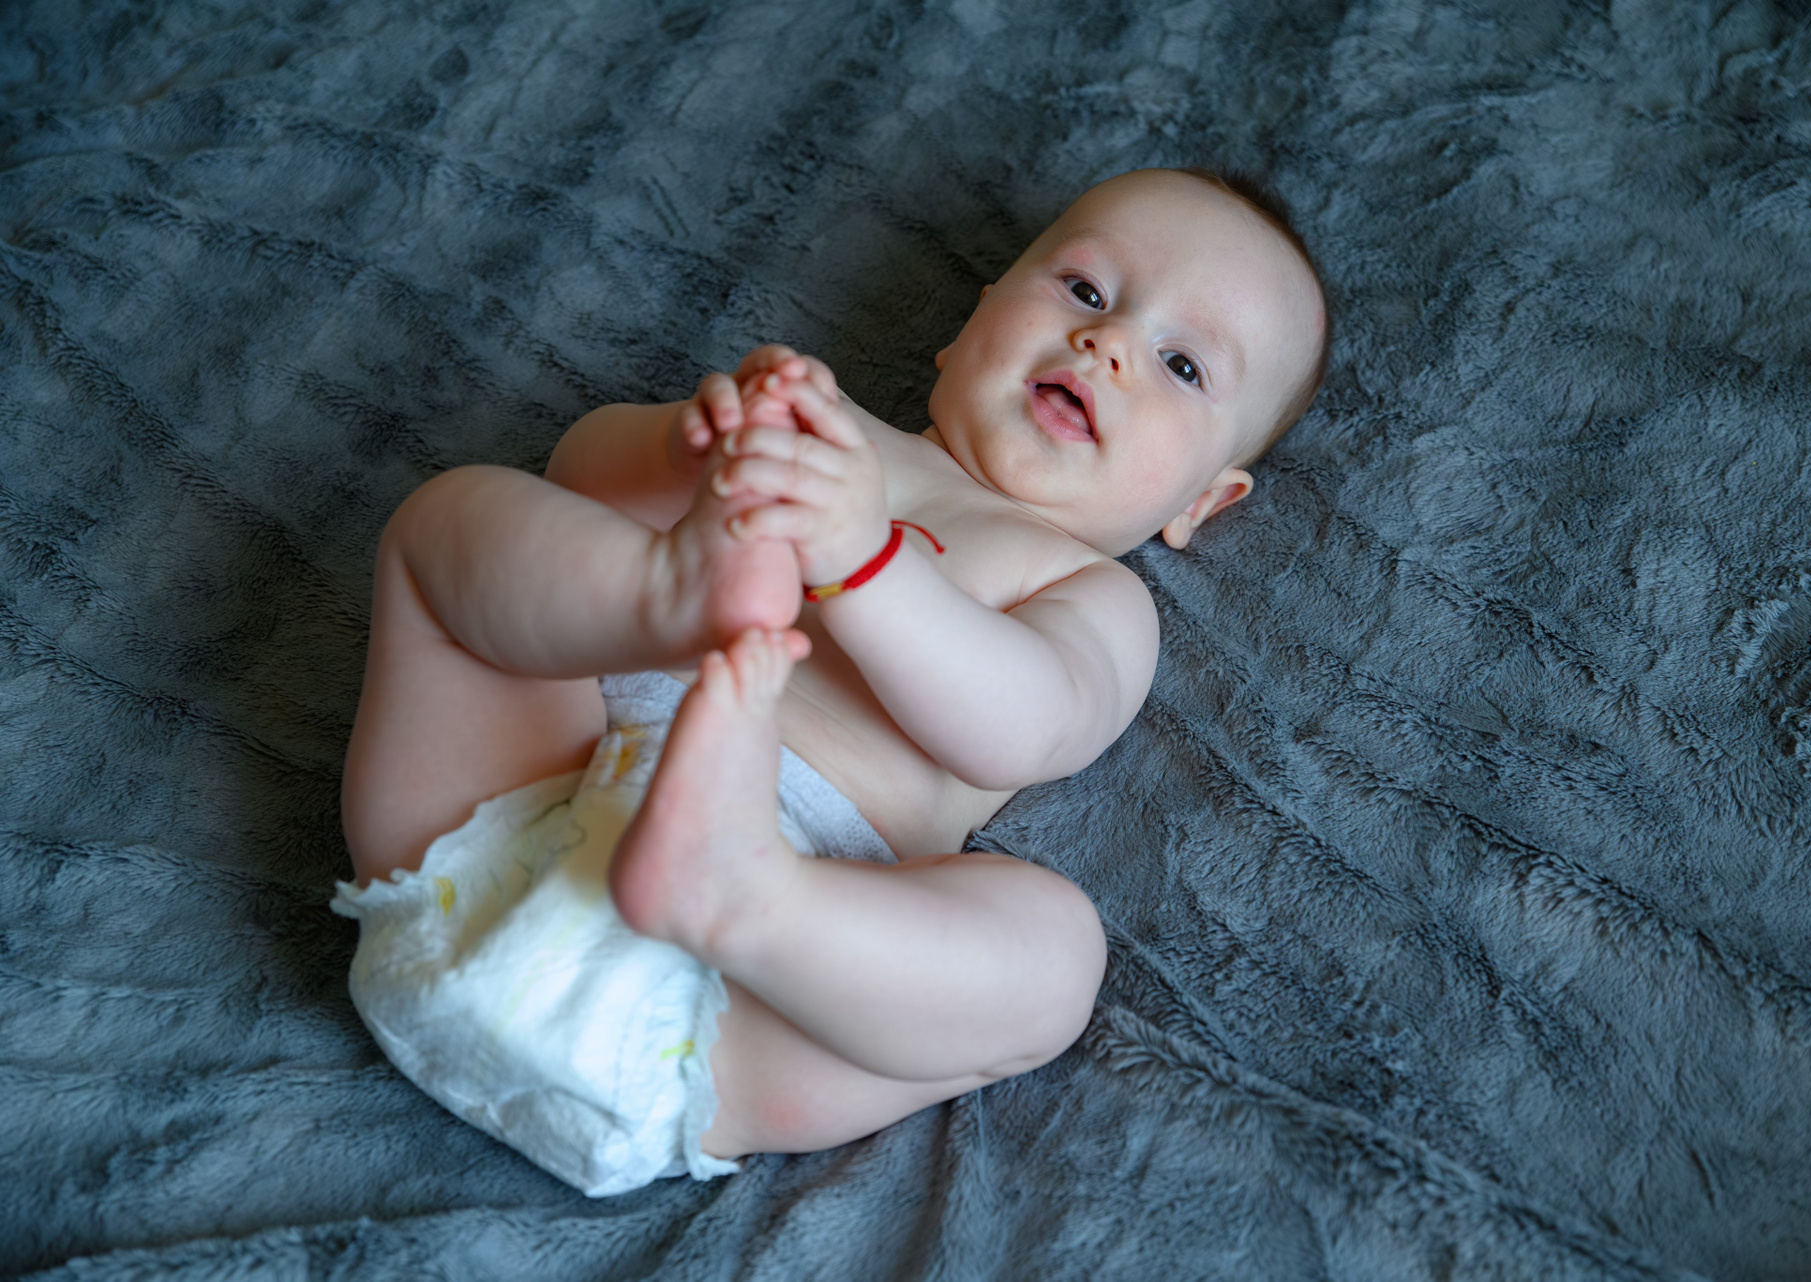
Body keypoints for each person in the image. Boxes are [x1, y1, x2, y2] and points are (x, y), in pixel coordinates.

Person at [332, 167, 1327, 1195]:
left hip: (730, 1022)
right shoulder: (827, 430)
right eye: (1084, 289)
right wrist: (687, 453)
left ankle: (747, 896)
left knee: (1056, 956)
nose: (1107, 341)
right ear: (969, 325)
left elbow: (1024, 725)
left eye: (1181, 365)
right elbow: (580, 476)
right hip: (502, 818)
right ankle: (666, 595)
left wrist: (866, 561)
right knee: (453, 520)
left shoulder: (1088, 590)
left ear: (1203, 502)